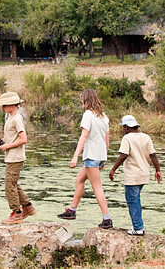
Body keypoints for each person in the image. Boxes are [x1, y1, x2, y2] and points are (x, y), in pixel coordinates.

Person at [57, 89, 113, 229]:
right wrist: (103, 158)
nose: (81, 103)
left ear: (86, 101)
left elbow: (84, 136)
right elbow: (107, 140)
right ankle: (72, 210)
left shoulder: (88, 115)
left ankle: (107, 218)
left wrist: (75, 156)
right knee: (79, 179)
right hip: (99, 155)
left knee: (97, 187)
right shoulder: (103, 116)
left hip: (91, 155)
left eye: (82, 100)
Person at [109, 115, 162, 236]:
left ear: (127, 127)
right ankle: (137, 226)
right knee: (136, 199)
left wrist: (113, 169)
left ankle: (138, 227)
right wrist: (157, 170)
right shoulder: (146, 137)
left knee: (132, 201)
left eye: (124, 127)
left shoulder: (127, 138)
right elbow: (153, 155)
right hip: (143, 174)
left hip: (132, 175)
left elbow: (123, 155)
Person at [0, 91, 36, 224]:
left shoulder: (17, 118)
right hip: (11, 156)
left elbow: (23, 139)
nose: (3, 108)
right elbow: (12, 136)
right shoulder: (10, 117)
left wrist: (7, 147)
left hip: (15, 157)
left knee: (9, 186)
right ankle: (28, 207)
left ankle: (17, 213)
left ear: (12, 105)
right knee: (13, 183)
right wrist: (4, 141)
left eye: (4, 105)